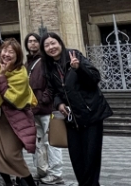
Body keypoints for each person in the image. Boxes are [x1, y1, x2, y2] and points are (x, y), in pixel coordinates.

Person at [42, 32, 112, 186]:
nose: (51, 47)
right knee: (77, 158)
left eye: (53, 43)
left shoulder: (74, 55)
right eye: (46, 45)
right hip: (71, 119)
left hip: (90, 114)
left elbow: (94, 78)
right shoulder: (49, 67)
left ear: (60, 43)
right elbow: (53, 91)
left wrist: (79, 68)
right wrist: (59, 103)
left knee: (91, 158)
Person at [0, 40, 38, 186]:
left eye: (11, 52)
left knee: (11, 154)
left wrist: (3, 76)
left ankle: (28, 181)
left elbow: (12, 98)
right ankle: (7, 182)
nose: (6, 54)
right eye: (4, 50)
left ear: (18, 56)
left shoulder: (20, 73)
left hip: (14, 120)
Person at [24, 33, 64, 185]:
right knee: (38, 141)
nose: (33, 44)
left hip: (47, 108)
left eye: (35, 41)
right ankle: (42, 170)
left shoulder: (46, 61)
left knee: (52, 142)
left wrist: (44, 100)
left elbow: (51, 83)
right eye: (30, 41)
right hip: (33, 109)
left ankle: (56, 173)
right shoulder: (28, 63)